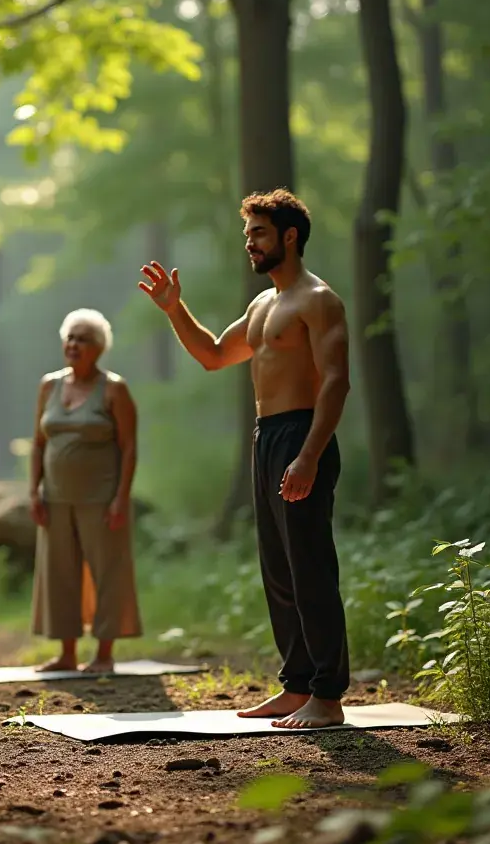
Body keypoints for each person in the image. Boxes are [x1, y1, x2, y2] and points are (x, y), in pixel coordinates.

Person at [140, 189, 351, 729]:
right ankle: (297, 684)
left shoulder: (318, 300)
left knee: (310, 569)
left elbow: (335, 385)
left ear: (289, 236)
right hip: (267, 437)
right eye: (246, 235)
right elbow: (213, 355)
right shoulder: (262, 306)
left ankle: (328, 695)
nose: (249, 244)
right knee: (279, 571)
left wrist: (308, 456)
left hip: (303, 434)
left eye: (258, 234)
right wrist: (173, 308)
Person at [28, 308, 142, 674]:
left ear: (99, 348)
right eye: (70, 337)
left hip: (101, 498)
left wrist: (122, 497)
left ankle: (104, 654)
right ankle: (66, 653)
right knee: (59, 572)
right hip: (55, 497)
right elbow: (37, 443)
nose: (74, 345)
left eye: (83, 339)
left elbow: (129, 446)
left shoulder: (114, 389)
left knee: (108, 571)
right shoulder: (49, 385)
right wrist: (34, 491)